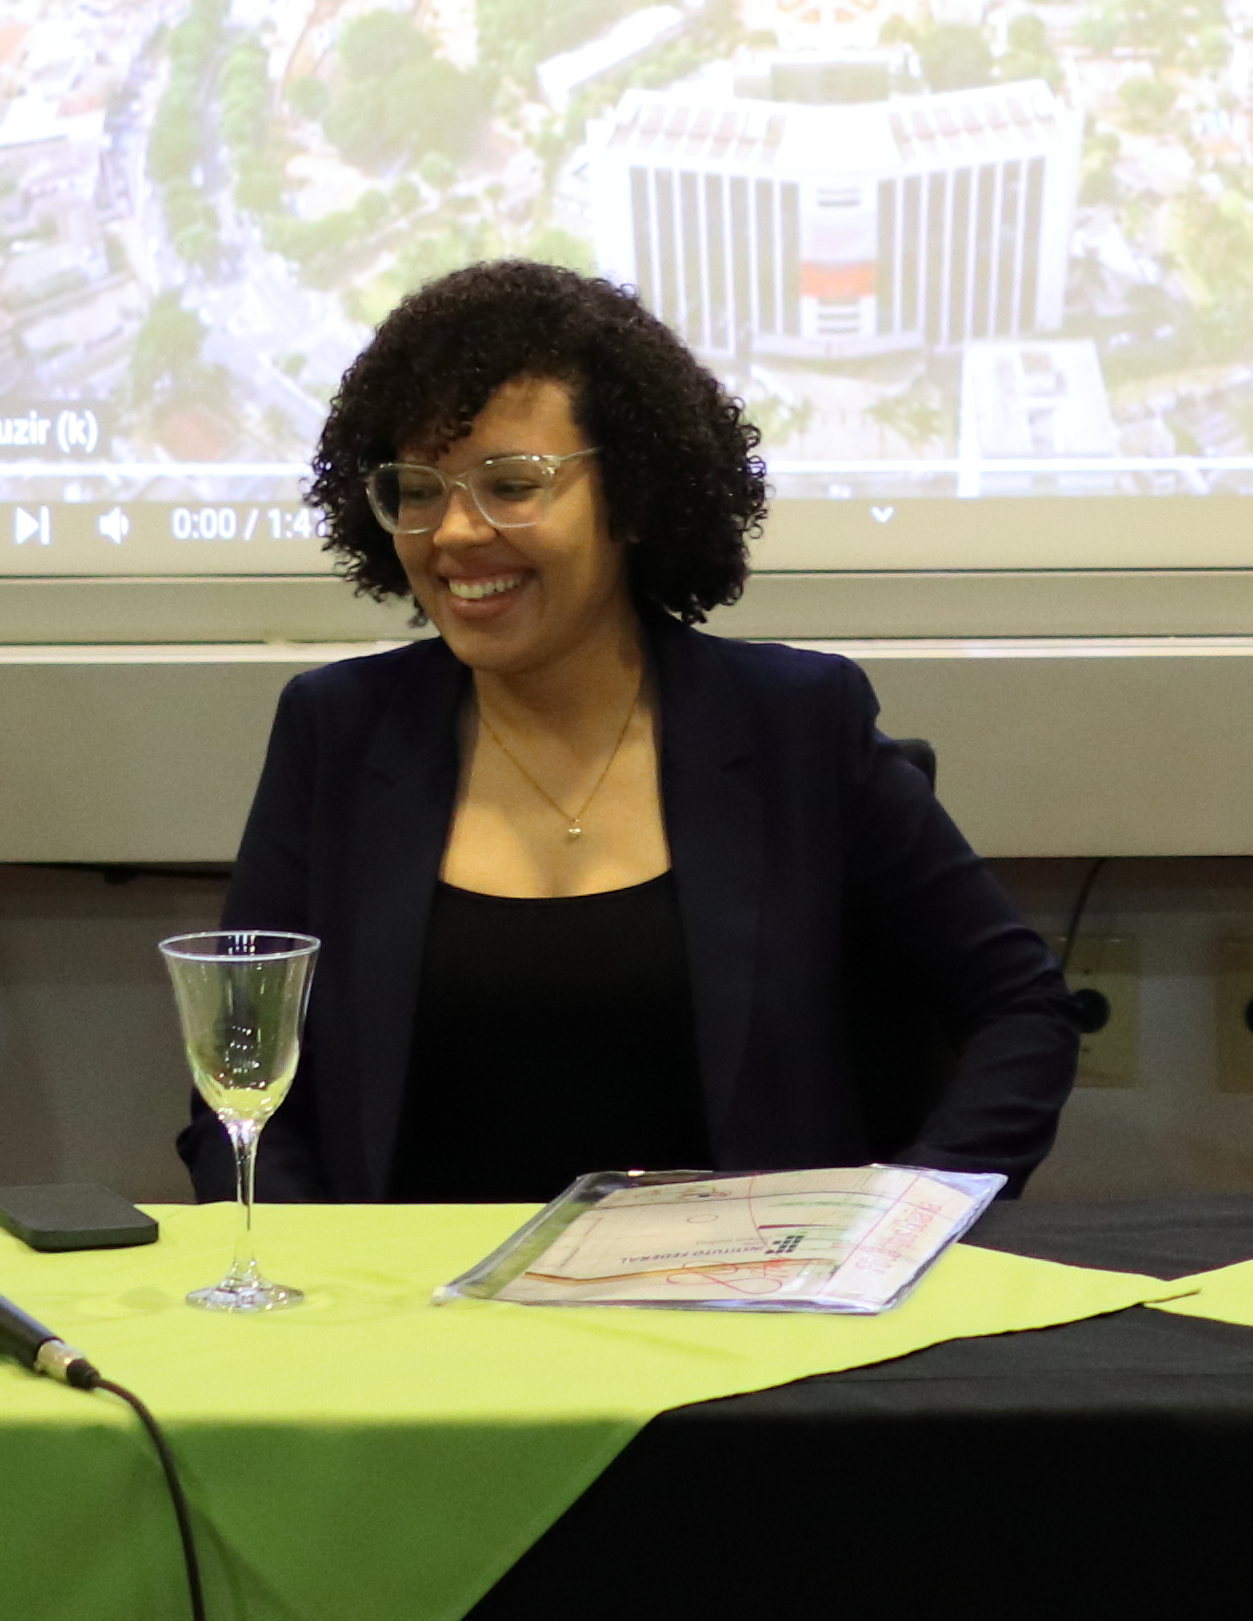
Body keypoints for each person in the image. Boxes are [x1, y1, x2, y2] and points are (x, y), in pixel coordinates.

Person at [207, 258, 1076, 1203]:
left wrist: (909, 1221)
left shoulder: (795, 725)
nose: (453, 534)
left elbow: (1021, 1011)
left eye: (510, 484)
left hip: (742, 1322)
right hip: (408, 1324)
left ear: (632, 493)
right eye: (416, 489)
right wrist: (296, 1284)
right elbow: (239, 1078)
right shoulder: (336, 732)